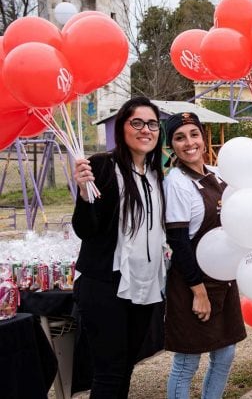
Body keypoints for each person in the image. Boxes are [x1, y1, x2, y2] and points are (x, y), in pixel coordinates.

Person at [163, 112, 252, 398]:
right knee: (187, 361)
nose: (189, 143)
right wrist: (198, 292)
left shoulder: (217, 173)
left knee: (224, 355)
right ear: (171, 145)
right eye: (179, 137)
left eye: (194, 134)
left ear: (203, 136)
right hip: (192, 282)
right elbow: (179, 243)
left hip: (223, 279)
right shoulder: (176, 182)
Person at [71, 96, 166, 398]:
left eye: (152, 124)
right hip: (105, 285)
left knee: (125, 368)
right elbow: (85, 229)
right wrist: (85, 196)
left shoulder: (156, 175)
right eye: (136, 122)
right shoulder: (101, 166)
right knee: (109, 372)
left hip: (145, 287)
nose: (145, 130)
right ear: (122, 127)